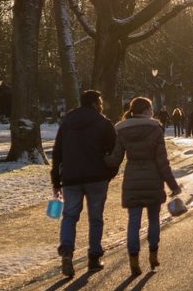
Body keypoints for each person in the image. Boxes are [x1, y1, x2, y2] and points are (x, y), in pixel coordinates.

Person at [105, 97, 181, 276]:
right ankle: (153, 255)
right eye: (151, 108)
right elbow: (162, 162)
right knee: (154, 220)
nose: (153, 111)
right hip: (153, 179)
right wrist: (173, 185)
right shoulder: (156, 129)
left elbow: (115, 158)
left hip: (132, 179)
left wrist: (100, 158)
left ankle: (133, 259)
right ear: (146, 110)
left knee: (133, 222)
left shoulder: (122, 130)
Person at [50, 90, 117, 277]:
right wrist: (110, 173)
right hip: (97, 177)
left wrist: (56, 179)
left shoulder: (67, 122)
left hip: (71, 177)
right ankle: (94, 258)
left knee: (70, 216)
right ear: (96, 103)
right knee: (95, 218)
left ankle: (67, 251)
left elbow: (57, 152)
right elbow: (115, 152)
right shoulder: (103, 123)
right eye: (100, 102)